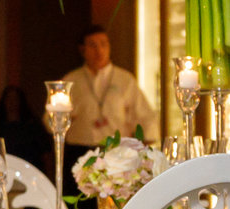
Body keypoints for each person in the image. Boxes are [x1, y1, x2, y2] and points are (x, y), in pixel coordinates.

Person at [55, 29, 158, 197]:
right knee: (80, 206)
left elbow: (145, 117)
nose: (99, 50)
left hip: (115, 152)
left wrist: (142, 152)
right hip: (79, 152)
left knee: (113, 205)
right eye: (93, 45)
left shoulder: (125, 80)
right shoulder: (71, 80)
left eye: (103, 44)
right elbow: (52, 120)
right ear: (82, 50)